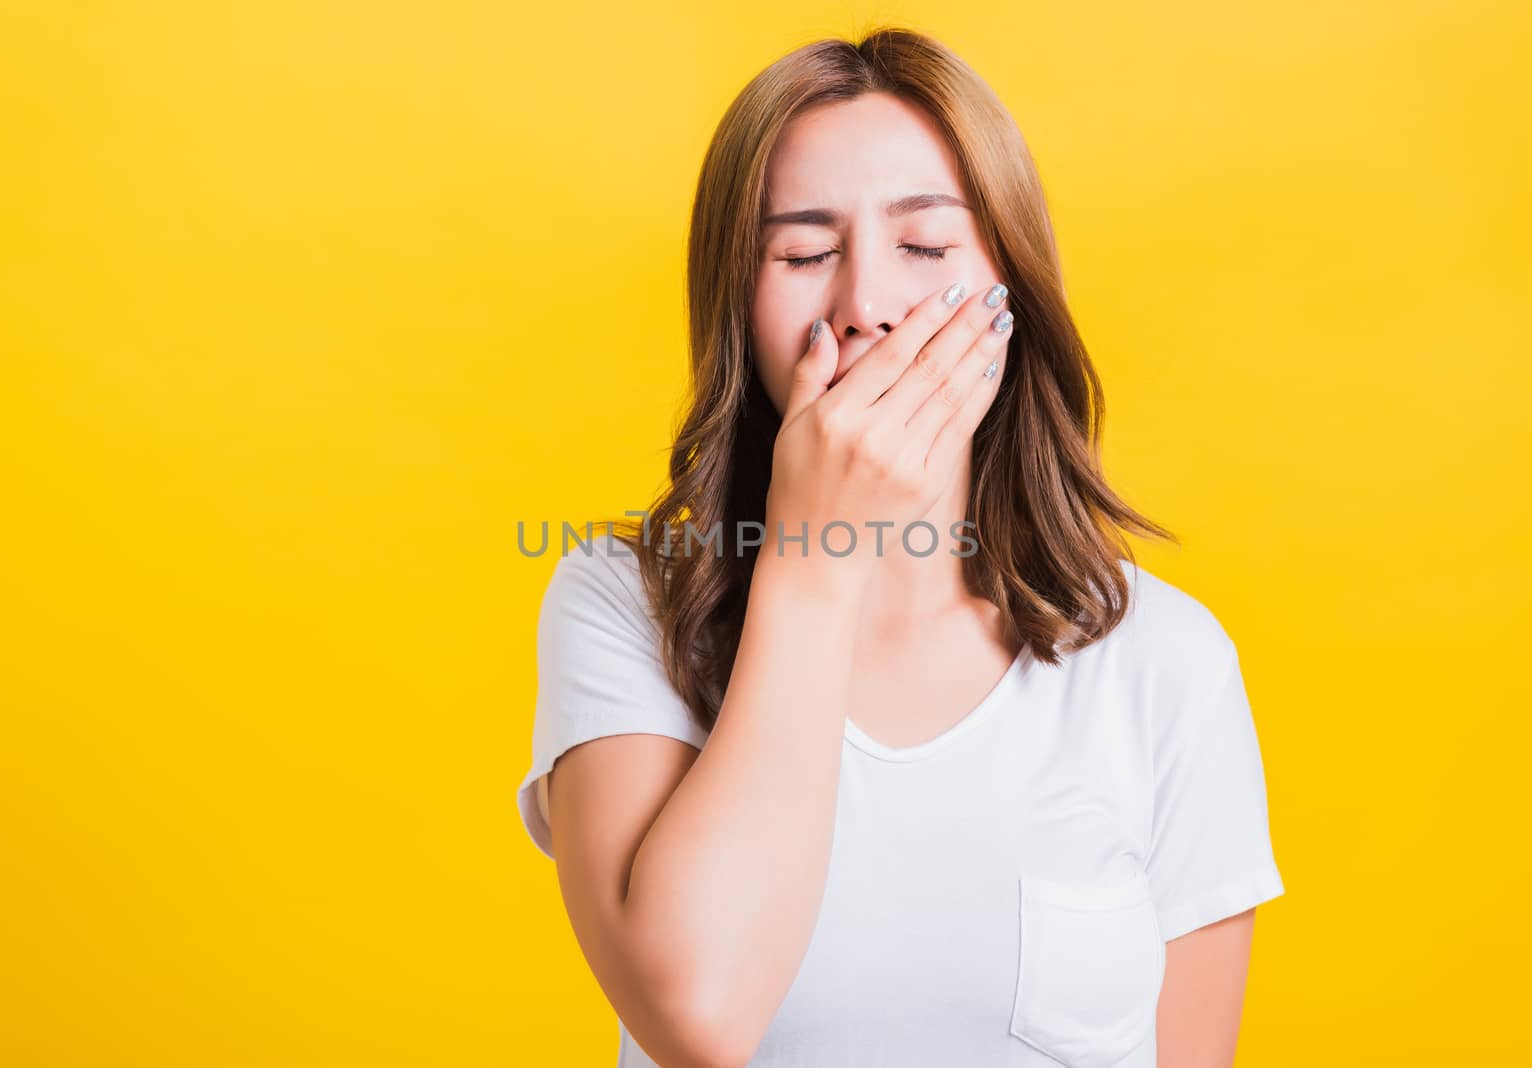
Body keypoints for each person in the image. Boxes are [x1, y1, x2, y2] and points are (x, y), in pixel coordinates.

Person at [515, 26, 1284, 1068]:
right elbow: (697, 1017)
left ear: (1013, 289)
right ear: (737, 306)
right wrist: (817, 553)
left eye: (923, 249)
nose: (866, 306)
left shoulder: (1166, 663)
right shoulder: (619, 610)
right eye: (802, 254)